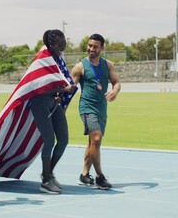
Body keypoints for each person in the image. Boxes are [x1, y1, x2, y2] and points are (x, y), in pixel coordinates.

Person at [71, 33, 121, 190]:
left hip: (101, 108)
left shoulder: (108, 65)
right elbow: (70, 89)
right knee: (97, 139)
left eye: (95, 46)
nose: (91, 49)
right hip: (87, 108)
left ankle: (84, 175)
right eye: (89, 45)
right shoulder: (80, 67)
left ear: (102, 48)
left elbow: (116, 82)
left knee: (93, 143)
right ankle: (100, 177)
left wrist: (115, 91)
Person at [30, 29, 77, 194]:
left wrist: (59, 91)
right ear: (51, 44)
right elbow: (37, 84)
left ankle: (47, 173)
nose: (63, 47)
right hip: (40, 103)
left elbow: (57, 80)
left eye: (65, 44)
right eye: (60, 44)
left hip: (53, 101)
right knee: (49, 140)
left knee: (63, 139)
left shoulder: (58, 60)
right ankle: (45, 181)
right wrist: (63, 88)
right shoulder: (42, 59)